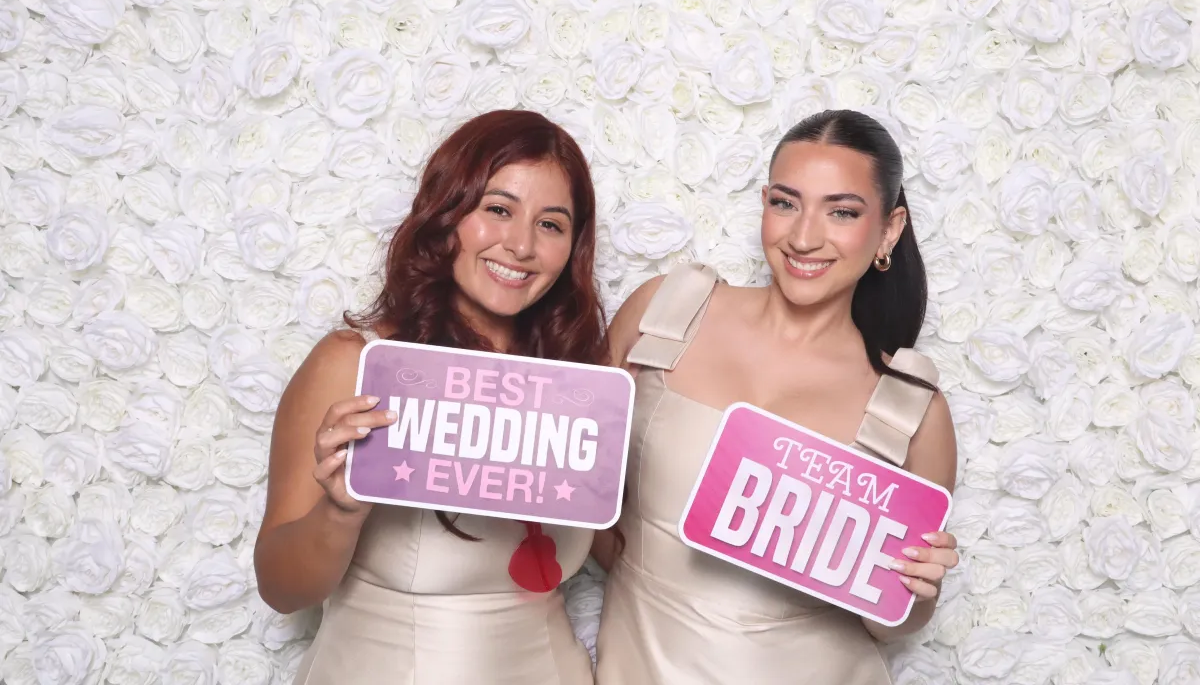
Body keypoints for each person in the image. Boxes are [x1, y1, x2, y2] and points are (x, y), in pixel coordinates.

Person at [592, 109, 960, 684]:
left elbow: (892, 620)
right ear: (764, 203)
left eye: (842, 212)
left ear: (889, 230)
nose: (804, 237)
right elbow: (583, 497)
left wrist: (919, 588)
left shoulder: (912, 409)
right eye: (786, 203)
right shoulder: (666, 310)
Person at [255, 110, 608, 685]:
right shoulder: (354, 363)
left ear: (573, 247)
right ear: (447, 213)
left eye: (550, 224)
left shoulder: (579, 387)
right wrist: (339, 513)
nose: (521, 245)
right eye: (498, 209)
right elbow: (280, 589)